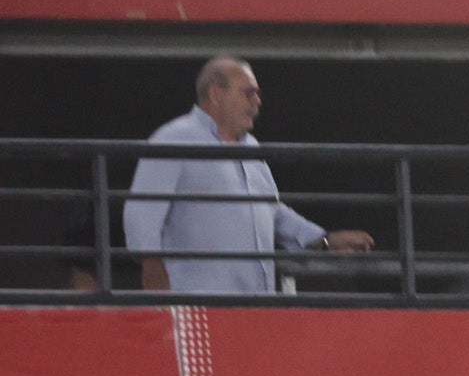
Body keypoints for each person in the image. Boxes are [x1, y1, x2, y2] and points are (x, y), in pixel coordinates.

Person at [125, 58, 376, 295]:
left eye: (256, 94)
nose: (257, 101)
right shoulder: (175, 138)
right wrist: (152, 269)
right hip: (198, 301)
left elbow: (272, 211)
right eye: (248, 93)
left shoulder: (251, 147)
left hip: (255, 304)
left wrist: (324, 240)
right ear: (215, 94)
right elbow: (142, 212)